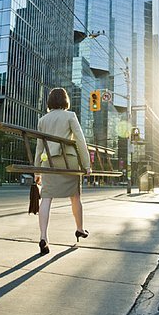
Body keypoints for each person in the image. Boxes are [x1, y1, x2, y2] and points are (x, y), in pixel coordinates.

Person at [34, 88, 92, 255]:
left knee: (46, 199)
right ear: (65, 101)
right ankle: (80, 229)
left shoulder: (42, 120)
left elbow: (39, 147)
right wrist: (86, 164)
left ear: (50, 101)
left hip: (48, 163)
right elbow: (80, 140)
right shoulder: (70, 116)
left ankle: (43, 237)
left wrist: (36, 170)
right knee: (75, 196)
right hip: (69, 162)